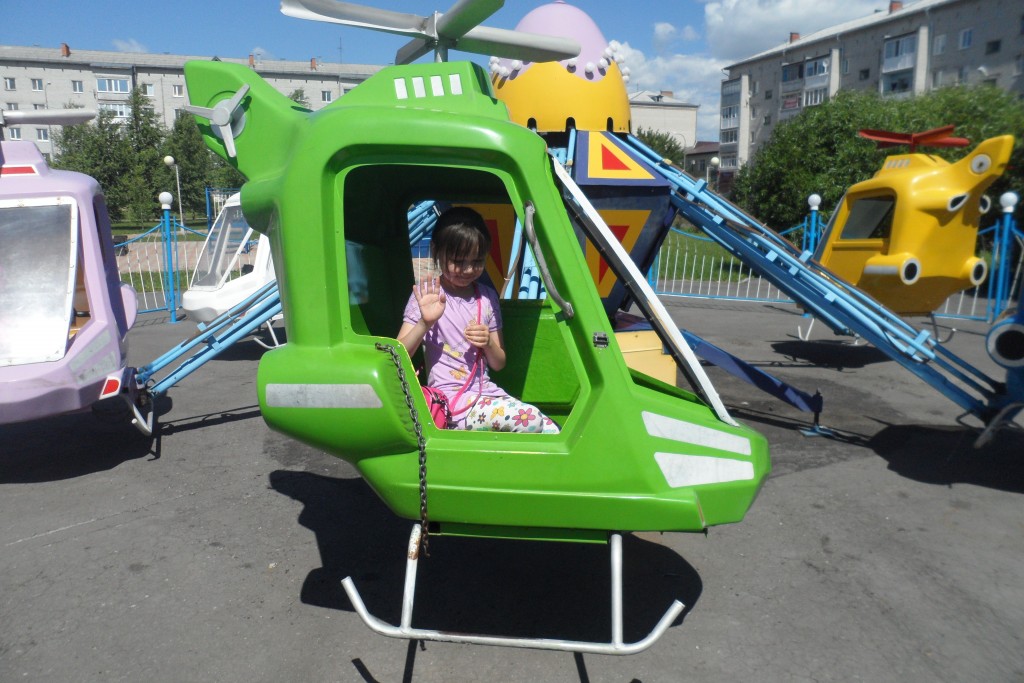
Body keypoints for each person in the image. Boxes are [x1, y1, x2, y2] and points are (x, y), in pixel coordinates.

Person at [398, 207, 559, 434]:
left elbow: (498, 362)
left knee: (553, 431)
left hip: (486, 395)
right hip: (451, 403)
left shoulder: (487, 297)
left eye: (477, 261)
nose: (468, 269)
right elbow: (398, 354)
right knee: (529, 419)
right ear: (436, 250)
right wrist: (425, 323)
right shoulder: (427, 297)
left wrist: (488, 343)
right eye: (458, 261)